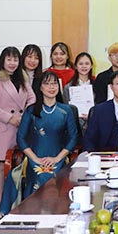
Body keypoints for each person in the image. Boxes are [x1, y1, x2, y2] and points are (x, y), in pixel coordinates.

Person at [0, 47, 36, 213]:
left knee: (19, 164)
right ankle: (0, 202)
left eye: (15, 60)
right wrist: (10, 118)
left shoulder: (23, 78)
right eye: (9, 59)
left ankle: (16, 200)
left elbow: (32, 98)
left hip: (20, 127)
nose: (12, 63)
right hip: (3, 127)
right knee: (0, 165)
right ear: (3, 61)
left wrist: (24, 116)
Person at [16, 71, 78, 199]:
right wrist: (35, 159)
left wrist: (57, 159)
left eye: (54, 83)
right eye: (47, 83)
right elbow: (20, 138)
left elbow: (73, 138)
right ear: (40, 87)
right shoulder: (31, 110)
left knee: (53, 175)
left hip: (59, 158)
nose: (51, 87)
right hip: (35, 158)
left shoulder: (66, 110)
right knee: (41, 175)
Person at [63, 52, 95, 133]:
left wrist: (91, 115)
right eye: (80, 64)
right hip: (74, 126)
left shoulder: (97, 86)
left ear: (91, 66)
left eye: (87, 63)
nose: (84, 66)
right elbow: (66, 108)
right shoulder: (68, 87)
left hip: (93, 125)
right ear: (76, 66)